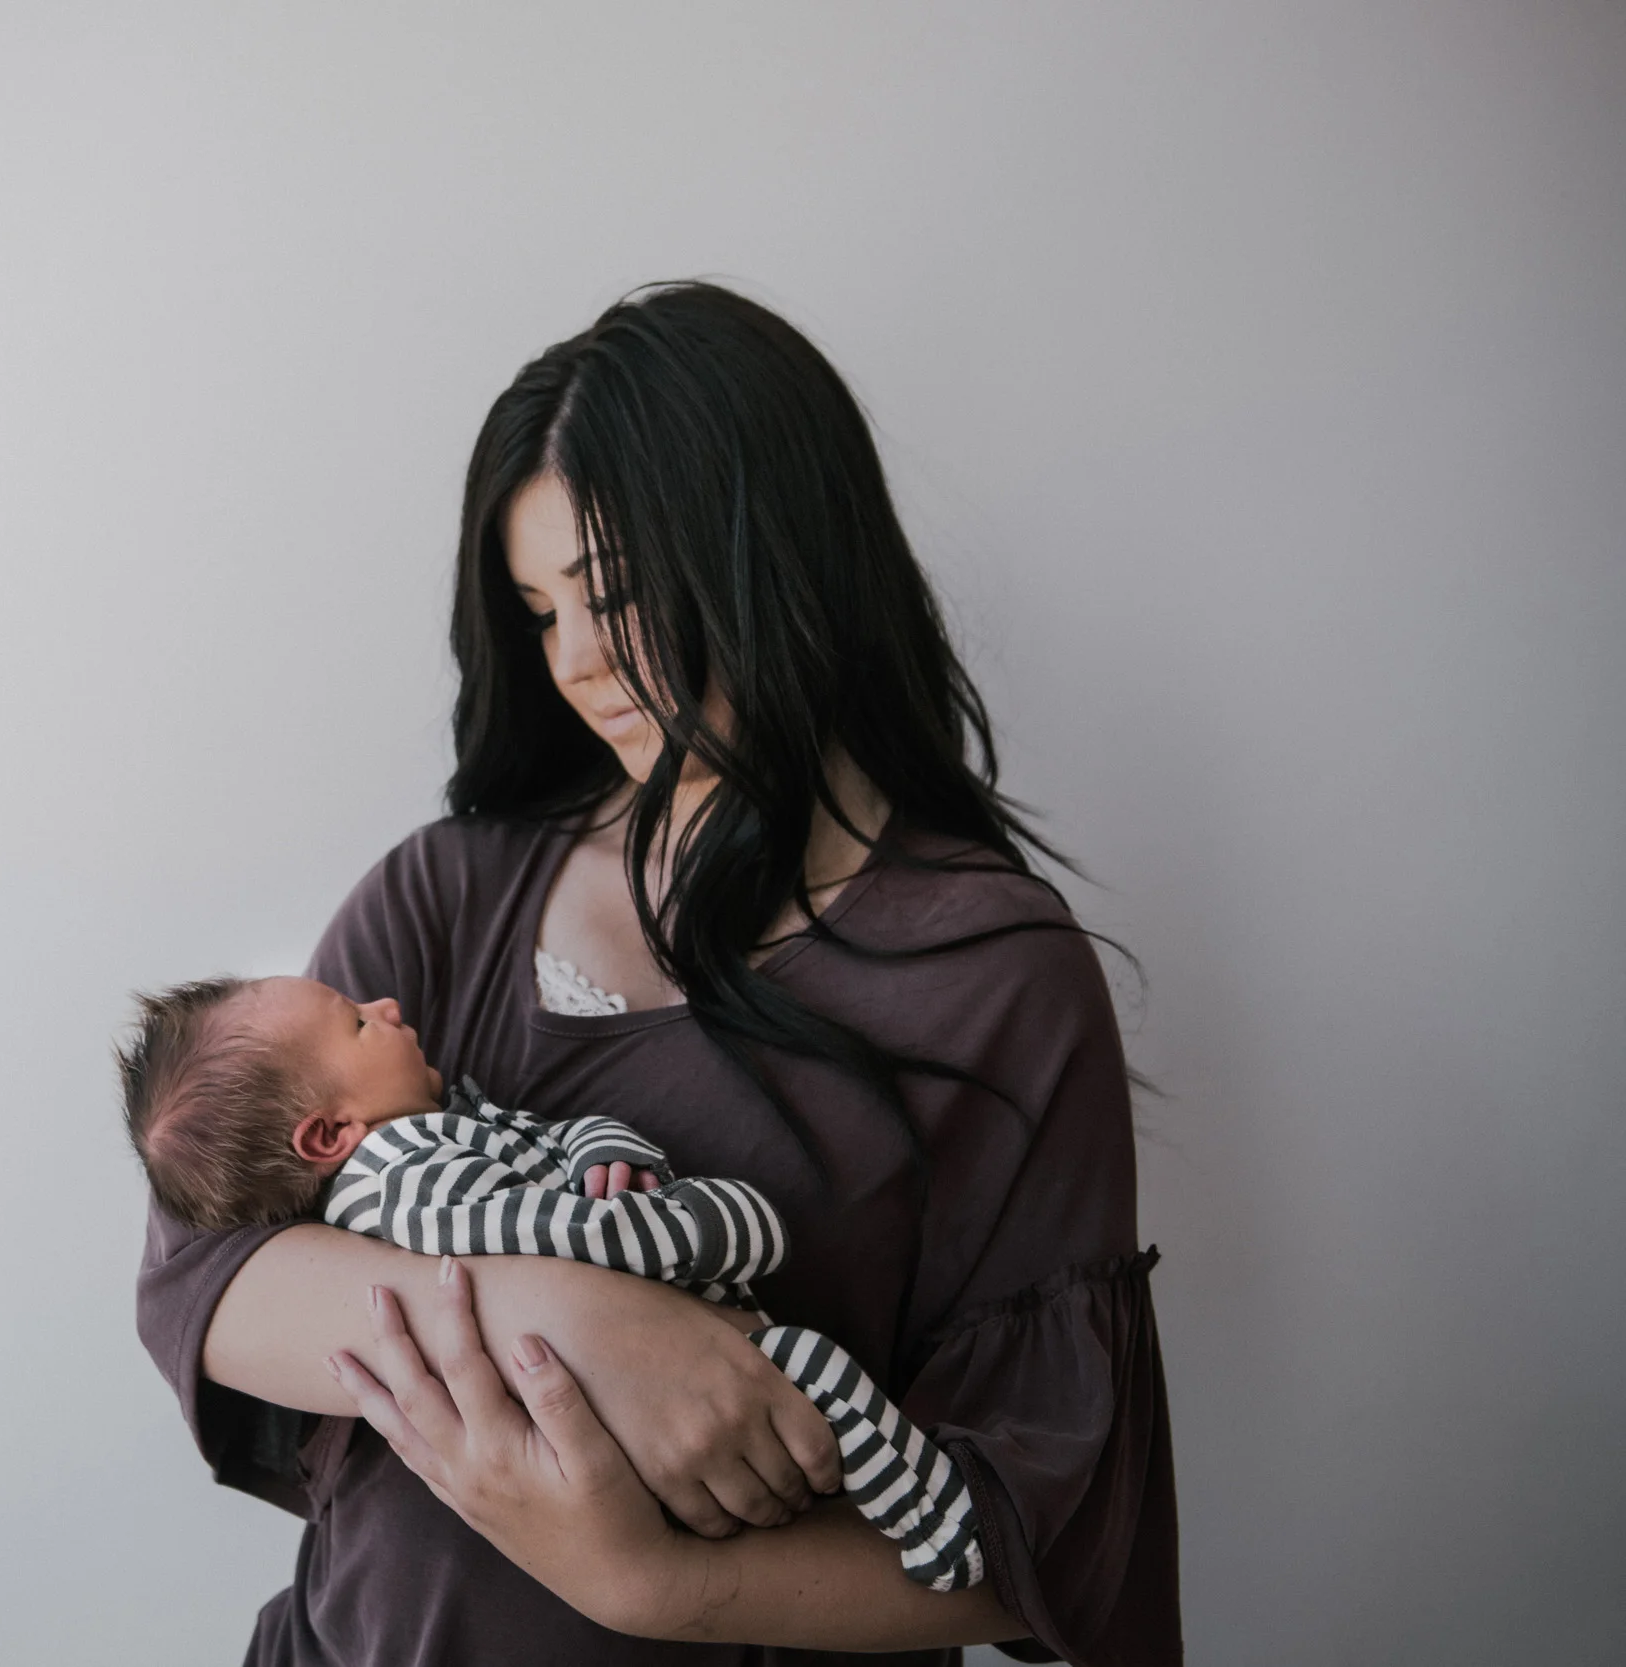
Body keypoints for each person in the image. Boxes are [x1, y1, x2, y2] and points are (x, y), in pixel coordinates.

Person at [134, 281, 1180, 1666]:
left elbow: (1044, 1528)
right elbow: (211, 1276)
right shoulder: (451, 892)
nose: (574, 663)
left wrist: (647, 1582)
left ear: (778, 563)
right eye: (536, 609)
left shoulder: (992, 977)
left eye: (613, 597)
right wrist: (582, 1309)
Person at [114, 971, 985, 1591]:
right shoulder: (401, 1177)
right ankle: (947, 1532)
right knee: (808, 1367)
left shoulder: (443, 1127)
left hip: (640, 1421)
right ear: (331, 1131)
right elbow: (544, 1240)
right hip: (601, 1421)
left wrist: (606, 1151)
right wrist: (689, 1230)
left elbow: (553, 1143)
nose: (385, 1005)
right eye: (357, 1024)